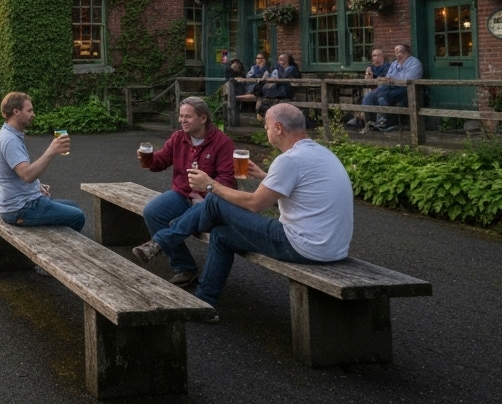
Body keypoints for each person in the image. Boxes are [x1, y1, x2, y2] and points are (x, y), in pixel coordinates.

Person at [132, 103, 353, 319]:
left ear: (278, 128)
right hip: (333, 247)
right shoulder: (321, 153)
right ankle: (203, 302)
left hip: (304, 245)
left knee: (214, 200)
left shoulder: (289, 160)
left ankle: (164, 240)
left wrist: (211, 185)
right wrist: (266, 176)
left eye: (266, 127)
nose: (265, 131)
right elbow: (302, 190)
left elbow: (255, 204)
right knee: (220, 235)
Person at [139, 97, 237, 286]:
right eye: (181, 116)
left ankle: (159, 242)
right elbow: (161, 161)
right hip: (182, 195)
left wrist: (208, 187)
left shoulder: (222, 142)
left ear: (203, 118)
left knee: (193, 213)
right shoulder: (178, 137)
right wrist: (149, 159)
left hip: (211, 200)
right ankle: (185, 268)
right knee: (153, 211)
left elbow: (227, 180)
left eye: (188, 116)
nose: (183, 120)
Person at [0, 92, 84, 230]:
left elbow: (20, 173)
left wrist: (36, 186)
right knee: (78, 216)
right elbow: (27, 175)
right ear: (16, 112)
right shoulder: (9, 140)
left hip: (17, 203)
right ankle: (57, 249)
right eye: (29, 111)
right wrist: (52, 150)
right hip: (20, 208)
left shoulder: (7, 134)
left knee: (73, 206)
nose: (33, 115)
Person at [364, 44, 424, 132]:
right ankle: (368, 122)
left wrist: (391, 80)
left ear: (406, 52)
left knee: (382, 95)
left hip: (407, 89)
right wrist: (385, 79)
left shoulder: (415, 63)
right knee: (370, 96)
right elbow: (388, 77)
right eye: (396, 52)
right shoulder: (395, 64)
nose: (397, 55)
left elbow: (408, 80)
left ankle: (383, 122)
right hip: (391, 87)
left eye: (400, 52)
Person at [343, 48, 390, 130]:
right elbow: (367, 80)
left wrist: (374, 79)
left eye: (378, 55)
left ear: (382, 57)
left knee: (371, 97)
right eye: (374, 56)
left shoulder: (387, 67)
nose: (376, 57)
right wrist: (367, 75)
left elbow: (384, 80)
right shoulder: (370, 67)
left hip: (384, 90)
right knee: (360, 96)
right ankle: (360, 119)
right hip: (370, 89)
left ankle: (368, 121)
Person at [256, 53, 300, 119]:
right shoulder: (276, 69)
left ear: (288, 61)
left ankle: (267, 105)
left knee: (272, 89)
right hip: (276, 87)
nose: (281, 62)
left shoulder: (291, 69)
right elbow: (272, 77)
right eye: (279, 60)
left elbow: (284, 78)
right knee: (264, 87)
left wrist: (275, 82)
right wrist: (268, 80)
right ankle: (266, 107)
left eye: (283, 60)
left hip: (287, 89)